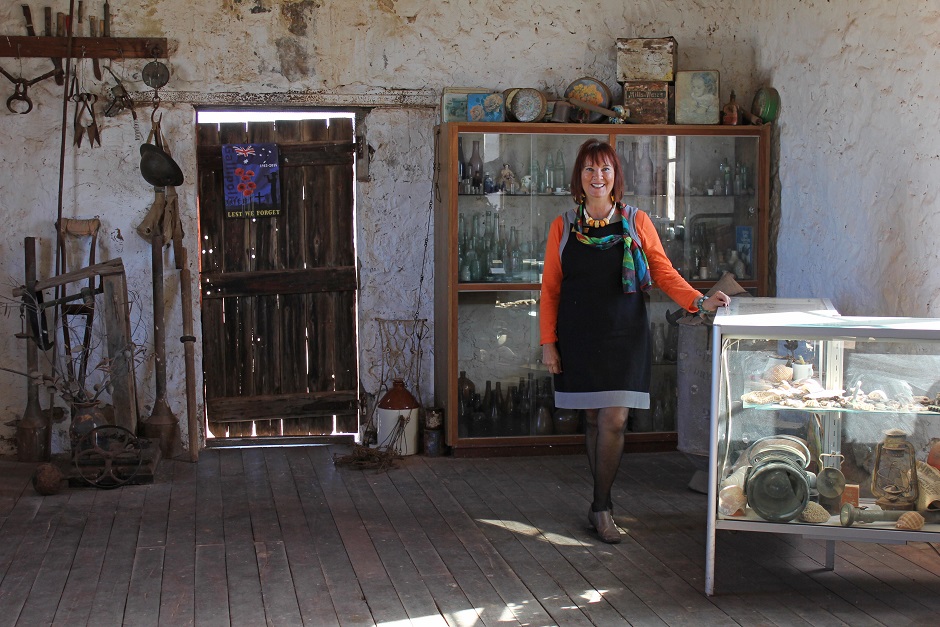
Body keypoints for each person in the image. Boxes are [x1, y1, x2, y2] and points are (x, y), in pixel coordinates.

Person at [539, 139, 730, 543]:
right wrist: (548, 343)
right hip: (578, 337)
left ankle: (601, 506)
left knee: (614, 418)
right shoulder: (563, 226)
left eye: (605, 169)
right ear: (579, 178)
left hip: (625, 336)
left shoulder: (635, 222)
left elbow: (663, 271)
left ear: (616, 177)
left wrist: (698, 301)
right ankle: (599, 503)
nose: (597, 177)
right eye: (589, 170)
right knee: (591, 418)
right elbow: (550, 290)